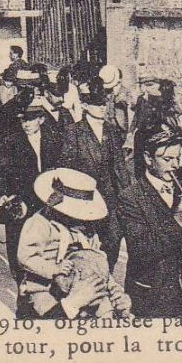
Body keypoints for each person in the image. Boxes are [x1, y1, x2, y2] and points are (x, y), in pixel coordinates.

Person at [117, 127, 182, 319]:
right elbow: (142, 250)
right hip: (152, 294)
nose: (175, 165)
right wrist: (178, 218)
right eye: (167, 159)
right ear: (148, 159)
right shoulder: (130, 197)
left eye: (178, 158)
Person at [15, 167, 129, 319]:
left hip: (81, 284)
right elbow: (26, 257)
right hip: (44, 286)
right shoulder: (40, 223)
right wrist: (54, 269)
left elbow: (96, 260)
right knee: (47, 312)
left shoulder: (87, 229)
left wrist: (111, 286)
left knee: (106, 309)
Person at [57, 75, 128, 269]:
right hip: (85, 200)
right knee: (87, 248)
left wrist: (127, 197)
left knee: (111, 244)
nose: (102, 108)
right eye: (97, 104)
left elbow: (120, 167)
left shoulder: (112, 131)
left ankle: (106, 281)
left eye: (104, 103)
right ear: (85, 106)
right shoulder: (74, 132)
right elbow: (66, 168)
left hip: (110, 200)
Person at [0, 99, 63, 278]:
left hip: (45, 200)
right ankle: (19, 280)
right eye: (23, 120)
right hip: (20, 201)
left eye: (31, 120)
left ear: (41, 120)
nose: (26, 125)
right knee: (16, 244)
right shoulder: (10, 141)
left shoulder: (54, 140)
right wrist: (1, 194)